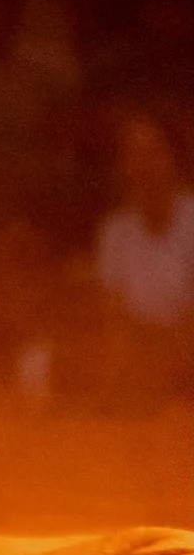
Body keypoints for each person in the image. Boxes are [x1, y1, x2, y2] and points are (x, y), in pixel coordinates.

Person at [92, 110, 194, 399]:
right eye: (133, 154)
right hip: (140, 358)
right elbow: (112, 318)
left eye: (152, 152)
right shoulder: (114, 232)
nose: (143, 165)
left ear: (175, 158)